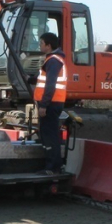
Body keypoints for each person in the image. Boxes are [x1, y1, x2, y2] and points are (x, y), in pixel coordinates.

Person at [34, 32, 67, 175]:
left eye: (41, 43)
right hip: (54, 103)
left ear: (48, 45)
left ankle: (52, 168)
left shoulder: (53, 61)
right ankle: (54, 167)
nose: (40, 45)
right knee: (50, 134)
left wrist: (43, 105)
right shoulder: (54, 60)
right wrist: (30, 79)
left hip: (51, 103)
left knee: (50, 136)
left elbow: (50, 85)